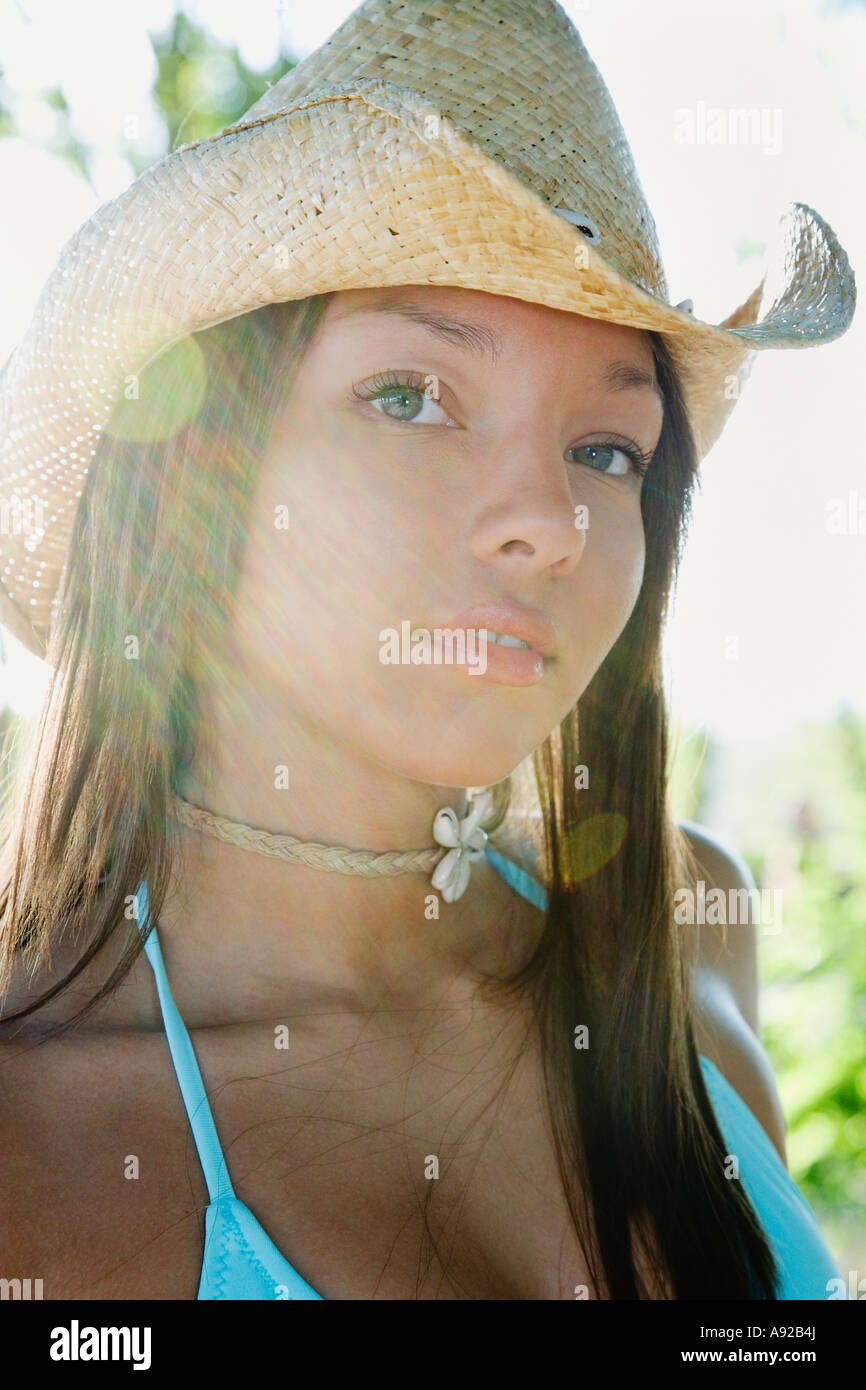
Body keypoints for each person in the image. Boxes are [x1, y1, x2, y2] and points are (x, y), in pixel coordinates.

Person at [0, 0, 855, 1301]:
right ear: (195, 474)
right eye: (408, 396)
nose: (549, 525)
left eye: (605, 450)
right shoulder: (28, 1128)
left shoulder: (680, 940)